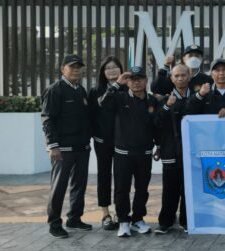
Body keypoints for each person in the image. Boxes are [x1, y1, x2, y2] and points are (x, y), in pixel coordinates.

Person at [100, 66, 159, 238]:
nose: (136, 82)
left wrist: (159, 146)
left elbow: (157, 126)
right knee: (122, 189)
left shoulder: (152, 101)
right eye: (132, 79)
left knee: (142, 189)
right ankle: (123, 221)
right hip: (123, 153)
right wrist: (117, 84)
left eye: (140, 78)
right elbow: (103, 102)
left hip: (144, 153)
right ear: (127, 81)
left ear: (146, 81)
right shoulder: (119, 97)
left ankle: (138, 219)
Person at [41, 54, 92, 238]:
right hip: (62, 150)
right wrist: (53, 146)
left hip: (82, 148)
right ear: (63, 69)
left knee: (79, 185)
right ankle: (54, 223)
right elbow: (47, 119)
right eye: (72, 67)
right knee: (59, 187)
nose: (76, 70)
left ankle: (74, 218)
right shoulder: (55, 90)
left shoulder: (81, 90)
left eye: (79, 67)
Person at [87, 56, 124, 231]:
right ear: (103, 72)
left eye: (115, 67)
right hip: (103, 141)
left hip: (123, 141)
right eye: (108, 68)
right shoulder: (96, 91)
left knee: (121, 177)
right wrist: (95, 135)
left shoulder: (128, 88)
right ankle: (105, 213)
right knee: (104, 175)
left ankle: (120, 212)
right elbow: (92, 115)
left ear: (121, 69)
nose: (112, 70)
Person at [155, 63, 192, 234]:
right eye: (176, 76)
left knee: (188, 188)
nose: (180, 78)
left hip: (191, 151)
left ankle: (186, 221)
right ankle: (165, 222)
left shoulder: (198, 97)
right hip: (170, 151)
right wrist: (167, 106)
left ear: (189, 76)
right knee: (170, 189)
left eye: (183, 75)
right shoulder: (165, 100)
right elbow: (156, 124)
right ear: (171, 78)